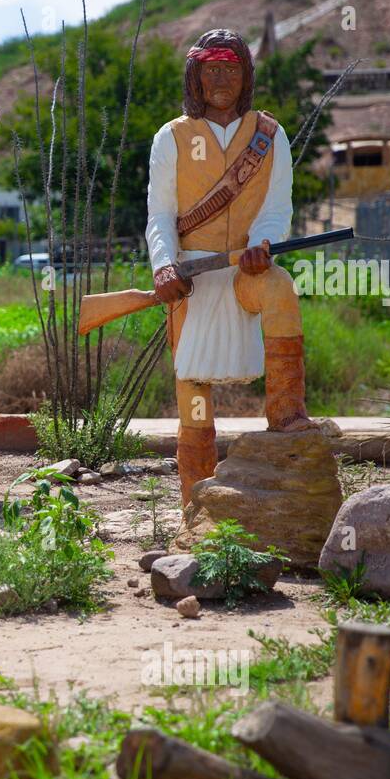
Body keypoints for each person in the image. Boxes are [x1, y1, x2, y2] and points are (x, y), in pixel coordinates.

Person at [146, 28, 317, 507]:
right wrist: (164, 266)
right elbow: (159, 214)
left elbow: (277, 206)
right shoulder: (171, 137)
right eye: (211, 69)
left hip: (247, 271)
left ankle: (287, 412)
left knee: (280, 289)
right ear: (195, 76)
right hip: (191, 279)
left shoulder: (270, 134)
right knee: (193, 395)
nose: (221, 78)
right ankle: (194, 505)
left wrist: (264, 243)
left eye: (231, 69)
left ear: (246, 77)